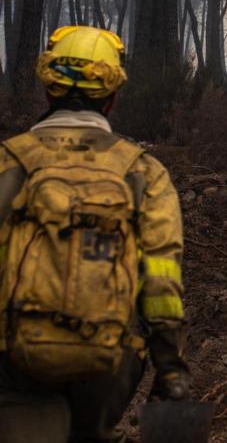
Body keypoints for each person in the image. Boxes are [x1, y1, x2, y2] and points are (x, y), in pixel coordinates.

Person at [0, 25, 190, 443]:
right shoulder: (144, 172)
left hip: (16, 361)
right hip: (108, 364)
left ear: (48, 91)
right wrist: (170, 367)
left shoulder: (10, 161)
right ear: (113, 96)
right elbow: (161, 277)